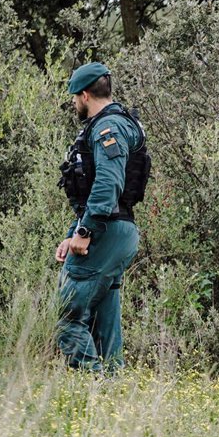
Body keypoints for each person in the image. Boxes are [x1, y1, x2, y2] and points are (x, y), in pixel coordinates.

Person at [55, 62, 148, 372]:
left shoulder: (108, 128)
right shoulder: (119, 124)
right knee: (103, 321)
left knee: (67, 315)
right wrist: (73, 234)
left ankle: (93, 387)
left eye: (73, 98)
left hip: (105, 230)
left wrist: (85, 232)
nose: (73, 104)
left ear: (84, 95)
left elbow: (107, 186)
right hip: (116, 230)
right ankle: (112, 394)